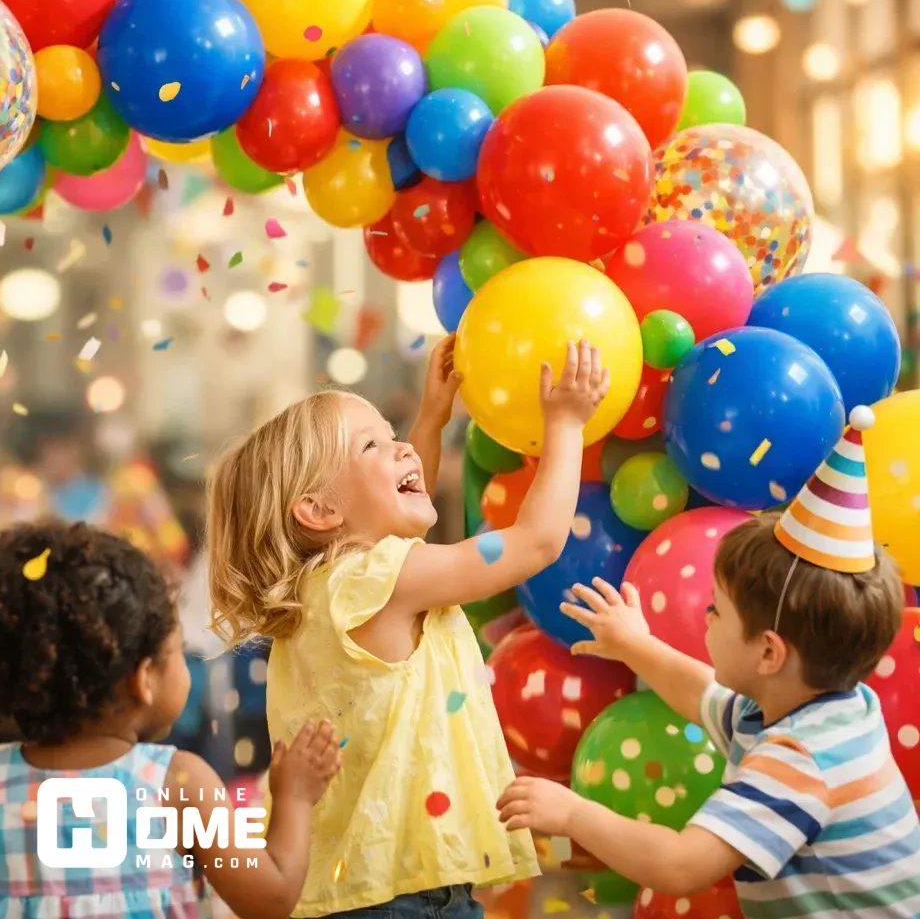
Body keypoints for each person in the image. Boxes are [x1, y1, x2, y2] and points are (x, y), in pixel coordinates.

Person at [207, 336, 611, 918]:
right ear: (319, 511)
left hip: (356, 891)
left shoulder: (331, 591)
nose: (404, 451)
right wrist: (567, 424)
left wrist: (429, 419)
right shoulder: (382, 579)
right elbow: (537, 542)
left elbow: (391, 524)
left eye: (395, 437)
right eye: (373, 444)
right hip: (405, 903)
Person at [497, 407, 920, 917]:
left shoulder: (800, 761)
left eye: (717, 610)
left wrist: (572, 814)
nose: (704, 616)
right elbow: (704, 696)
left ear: (769, 652)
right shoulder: (822, 703)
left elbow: (681, 866)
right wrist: (637, 645)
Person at [0, 520, 342, 919]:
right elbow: (269, 900)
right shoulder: (177, 784)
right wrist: (294, 797)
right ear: (144, 679)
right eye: (177, 649)